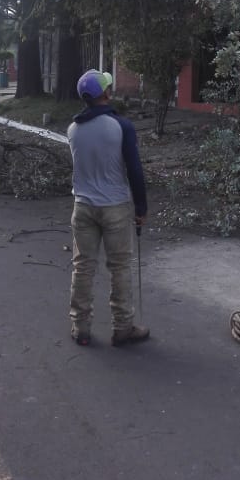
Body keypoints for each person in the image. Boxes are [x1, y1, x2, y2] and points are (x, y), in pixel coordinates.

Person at [67, 69, 150, 347]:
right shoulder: (121, 126)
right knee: (120, 267)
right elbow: (134, 170)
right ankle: (123, 327)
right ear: (105, 94)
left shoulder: (73, 129)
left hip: (83, 206)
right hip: (114, 206)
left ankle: (81, 327)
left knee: (83, 267)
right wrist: (141, 206)